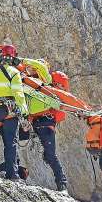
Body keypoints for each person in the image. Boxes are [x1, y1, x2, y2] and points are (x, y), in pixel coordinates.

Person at [0, 45, 28, 180]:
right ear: (13, 59)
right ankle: (12, 175)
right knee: (11, 143)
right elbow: (18, 94)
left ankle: (14, 165)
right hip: (8, 112)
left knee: (8, 140)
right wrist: (24, 113)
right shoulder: (14, 72)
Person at [21, 62, 69, 191]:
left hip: (45, 123)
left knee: (50, 155)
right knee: (17, 143)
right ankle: (15, 170)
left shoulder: (49, 89)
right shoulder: (35, 86)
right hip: (36, 122)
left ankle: (62, 182)